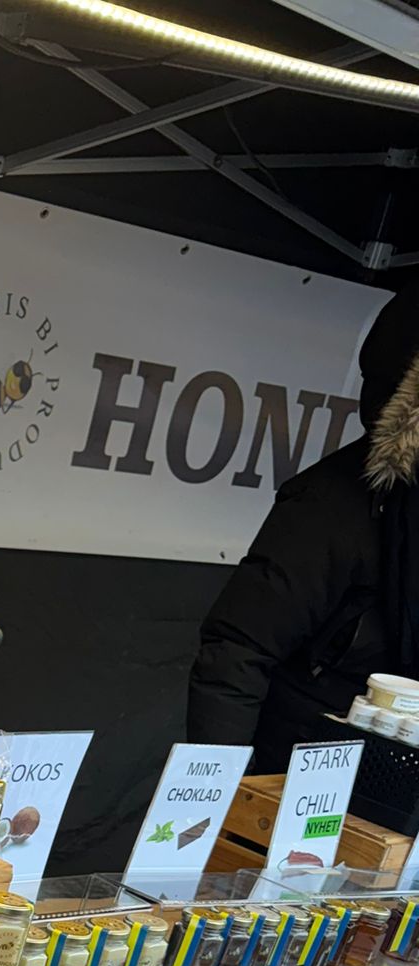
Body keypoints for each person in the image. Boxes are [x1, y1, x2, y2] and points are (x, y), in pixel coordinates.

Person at [187, 282, 419, 770]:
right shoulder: (330, 505)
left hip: (391, 798)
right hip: (291, 782)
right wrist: (219, 793)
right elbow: (237, 652)